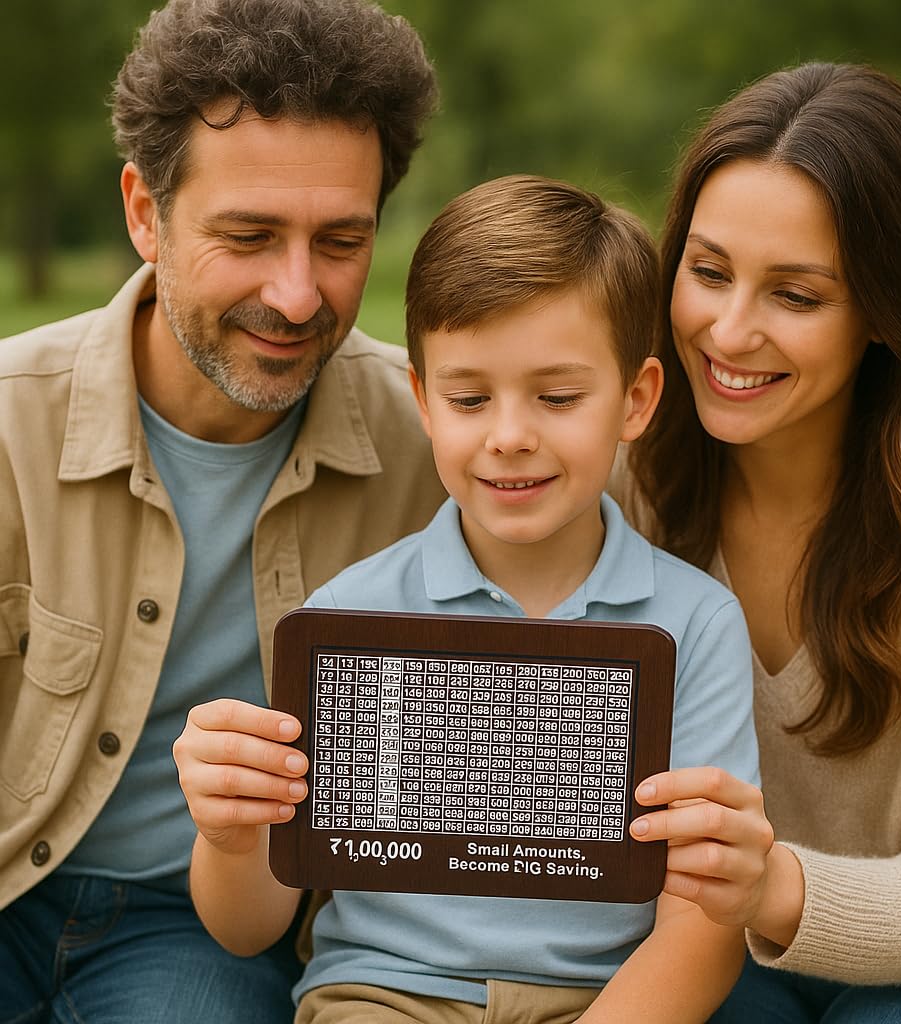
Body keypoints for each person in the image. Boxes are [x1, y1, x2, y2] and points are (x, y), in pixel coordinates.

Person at [173, 174, 762, 1023]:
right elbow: (248, 927)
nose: (510, 434)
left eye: (557, 397)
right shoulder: (350, 619)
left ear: (635, 400)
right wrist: (230, 834)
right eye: (468, 398)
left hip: (603, 1002)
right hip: (382, 994)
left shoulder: (695, 625)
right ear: (422, 400)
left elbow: (701, 923)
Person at [0, 1, 448, 1020]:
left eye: (341, 240)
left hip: (203, 933)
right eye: (248, 237)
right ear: (144, 213)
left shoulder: (446, 449)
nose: (297, 297)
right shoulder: (7, 423)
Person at [619, 61, 901, 1021]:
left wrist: (771, 887)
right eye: (708, 271)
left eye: (795, 296)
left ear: (886, 312)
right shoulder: (620, 478)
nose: (728, 329)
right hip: (700, 950)